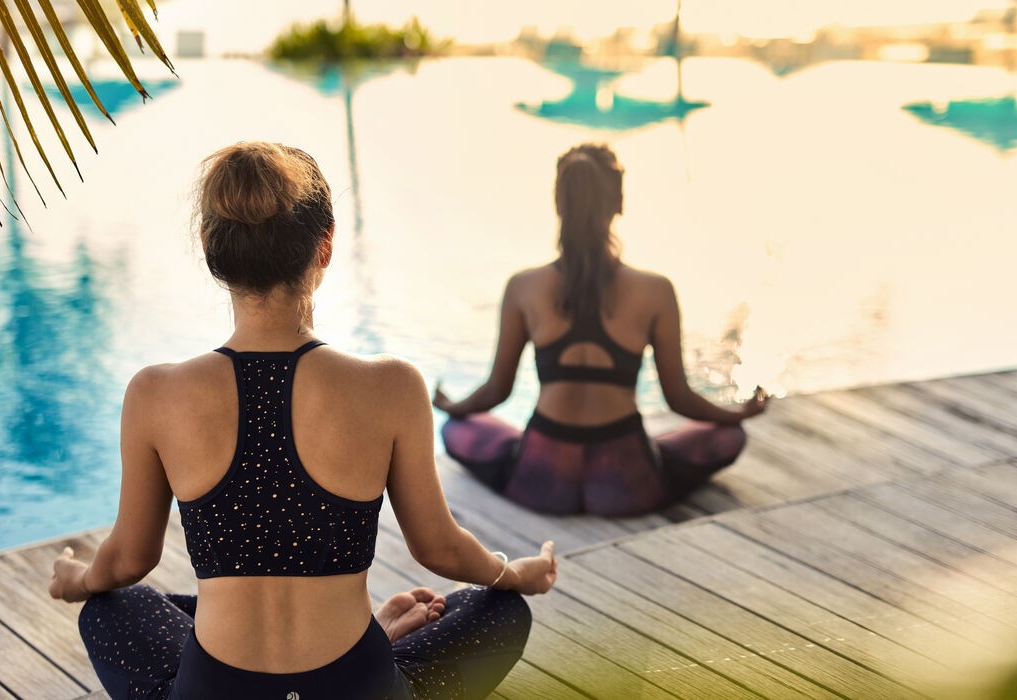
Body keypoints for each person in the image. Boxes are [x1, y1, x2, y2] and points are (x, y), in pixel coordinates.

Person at [48, 142, 557, 700]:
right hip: (355, 686)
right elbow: (440, 548)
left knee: (112, 606)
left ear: (210, 251)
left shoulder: (154, 393)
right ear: (325, 247)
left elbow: (127, 560)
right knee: (500, 612)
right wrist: (513, 574)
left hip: (217, 692)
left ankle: (372, 633)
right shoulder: (392, 386)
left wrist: (79, 581)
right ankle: (377, 636)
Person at [433, 143, 768, 517]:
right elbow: (679, 398)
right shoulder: (655, 290)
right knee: (727, 437)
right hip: (626, 482)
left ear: (559, 204)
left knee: (455, 429)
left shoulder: (523, 287)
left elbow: (497, 390)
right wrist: (736, 414)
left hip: (541, 480)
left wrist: (452, 407)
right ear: (619, 203)